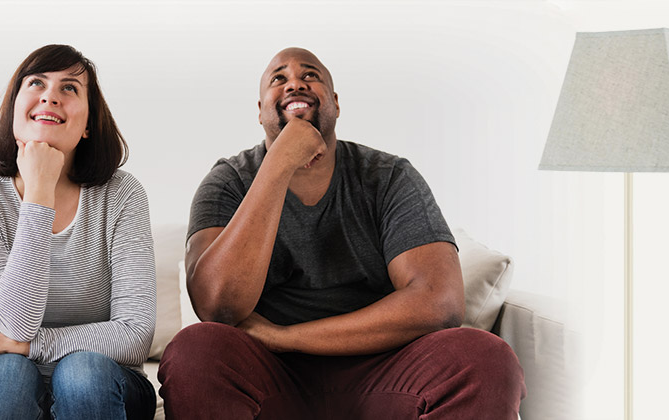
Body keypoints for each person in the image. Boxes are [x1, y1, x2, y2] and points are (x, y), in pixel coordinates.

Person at [158, 47, 525, 419]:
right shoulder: (228, 181)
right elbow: (217, 306)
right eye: (278, 79)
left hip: (383, 370)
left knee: (484, 357)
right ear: (260, 111)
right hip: (269, 375)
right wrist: (278, 165)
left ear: (334, 102)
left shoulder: (388, 176)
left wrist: (288, 338)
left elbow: (439, 303)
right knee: (195, 350)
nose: (295, 83)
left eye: (311, 75)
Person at [0, 44, 156, 420]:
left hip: (104, 383)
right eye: (37, 83)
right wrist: (39, 192)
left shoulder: (122, 193)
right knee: (7, 372)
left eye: (69, 88)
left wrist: (22, 346)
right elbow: (16, 322)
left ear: (87, 125)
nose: (51, 95)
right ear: (14, 109)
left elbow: (134, 335)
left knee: (81, 370)